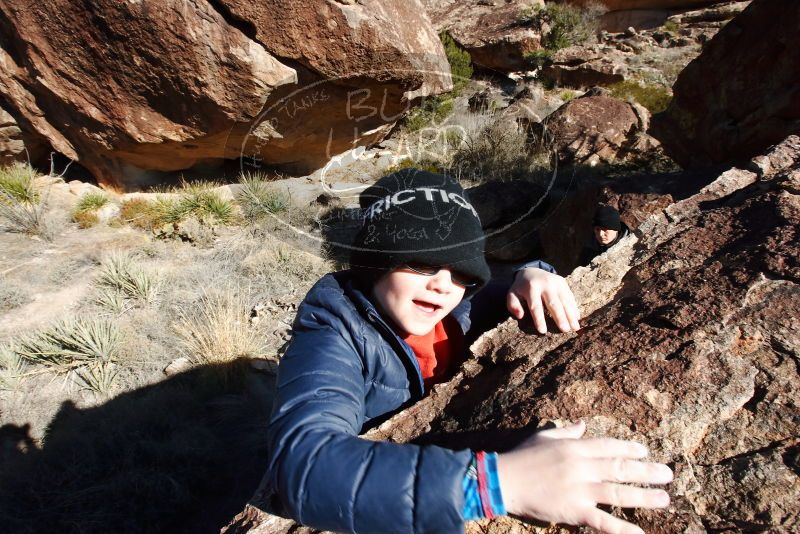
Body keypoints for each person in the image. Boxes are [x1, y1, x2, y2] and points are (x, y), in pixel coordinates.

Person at [266, 170, 672, 534]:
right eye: (423, 263)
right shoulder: (332, 331)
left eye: (462, 271)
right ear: (376, 261)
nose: (444, 285)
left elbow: (508, 284)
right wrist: (495, 485)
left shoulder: (458, 304)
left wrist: (535, 272)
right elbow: (303, 469)